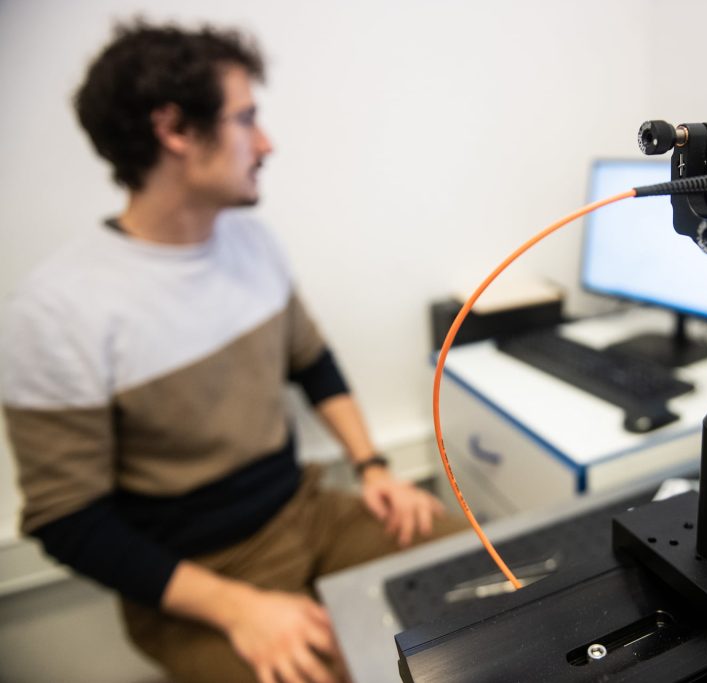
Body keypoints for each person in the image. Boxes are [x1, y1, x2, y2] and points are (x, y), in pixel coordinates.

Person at [1, 20, 462, 683]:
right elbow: (67, 519)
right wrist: (240, 608)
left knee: (483, 580)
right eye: (247, 119)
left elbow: (312, 362)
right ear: (175, 130)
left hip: (306, 513)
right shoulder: (56, 311)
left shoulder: (252, 243)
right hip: (199, 572)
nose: (266, 142)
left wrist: (373, 467)